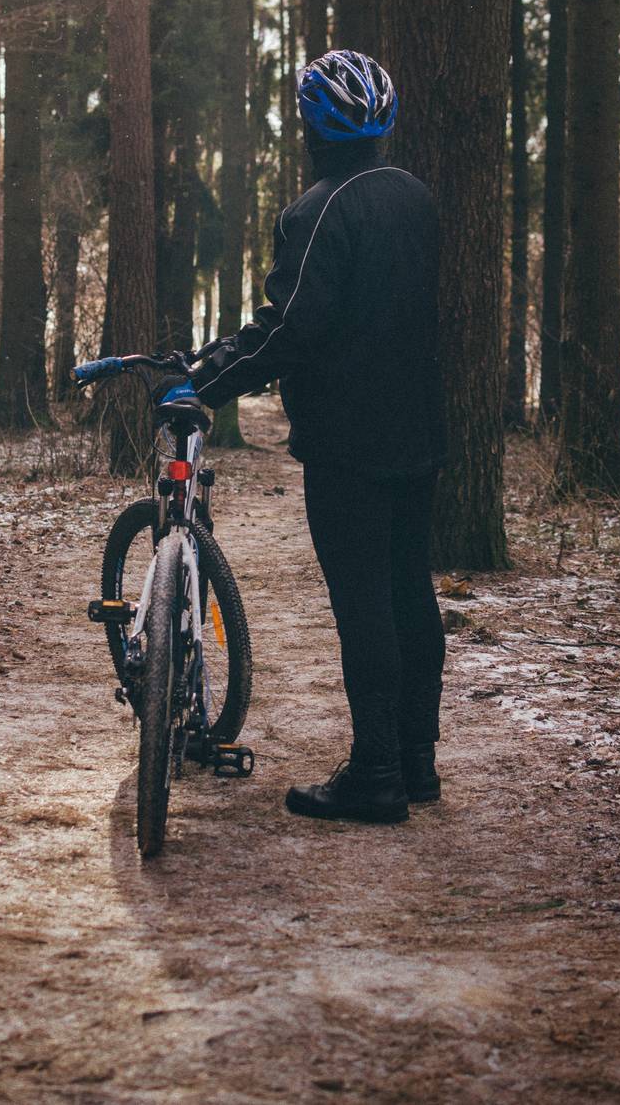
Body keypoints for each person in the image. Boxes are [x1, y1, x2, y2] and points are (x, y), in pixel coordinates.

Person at [164, 49, 447, 825]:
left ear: (309, 126)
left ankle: (376, 775)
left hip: (349, 440)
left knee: (364, 603)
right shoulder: (414, 198)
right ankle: (416, 764)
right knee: (408, 590)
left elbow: (291, 329)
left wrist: (205, 382)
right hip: (419, 427)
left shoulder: (317, 210)